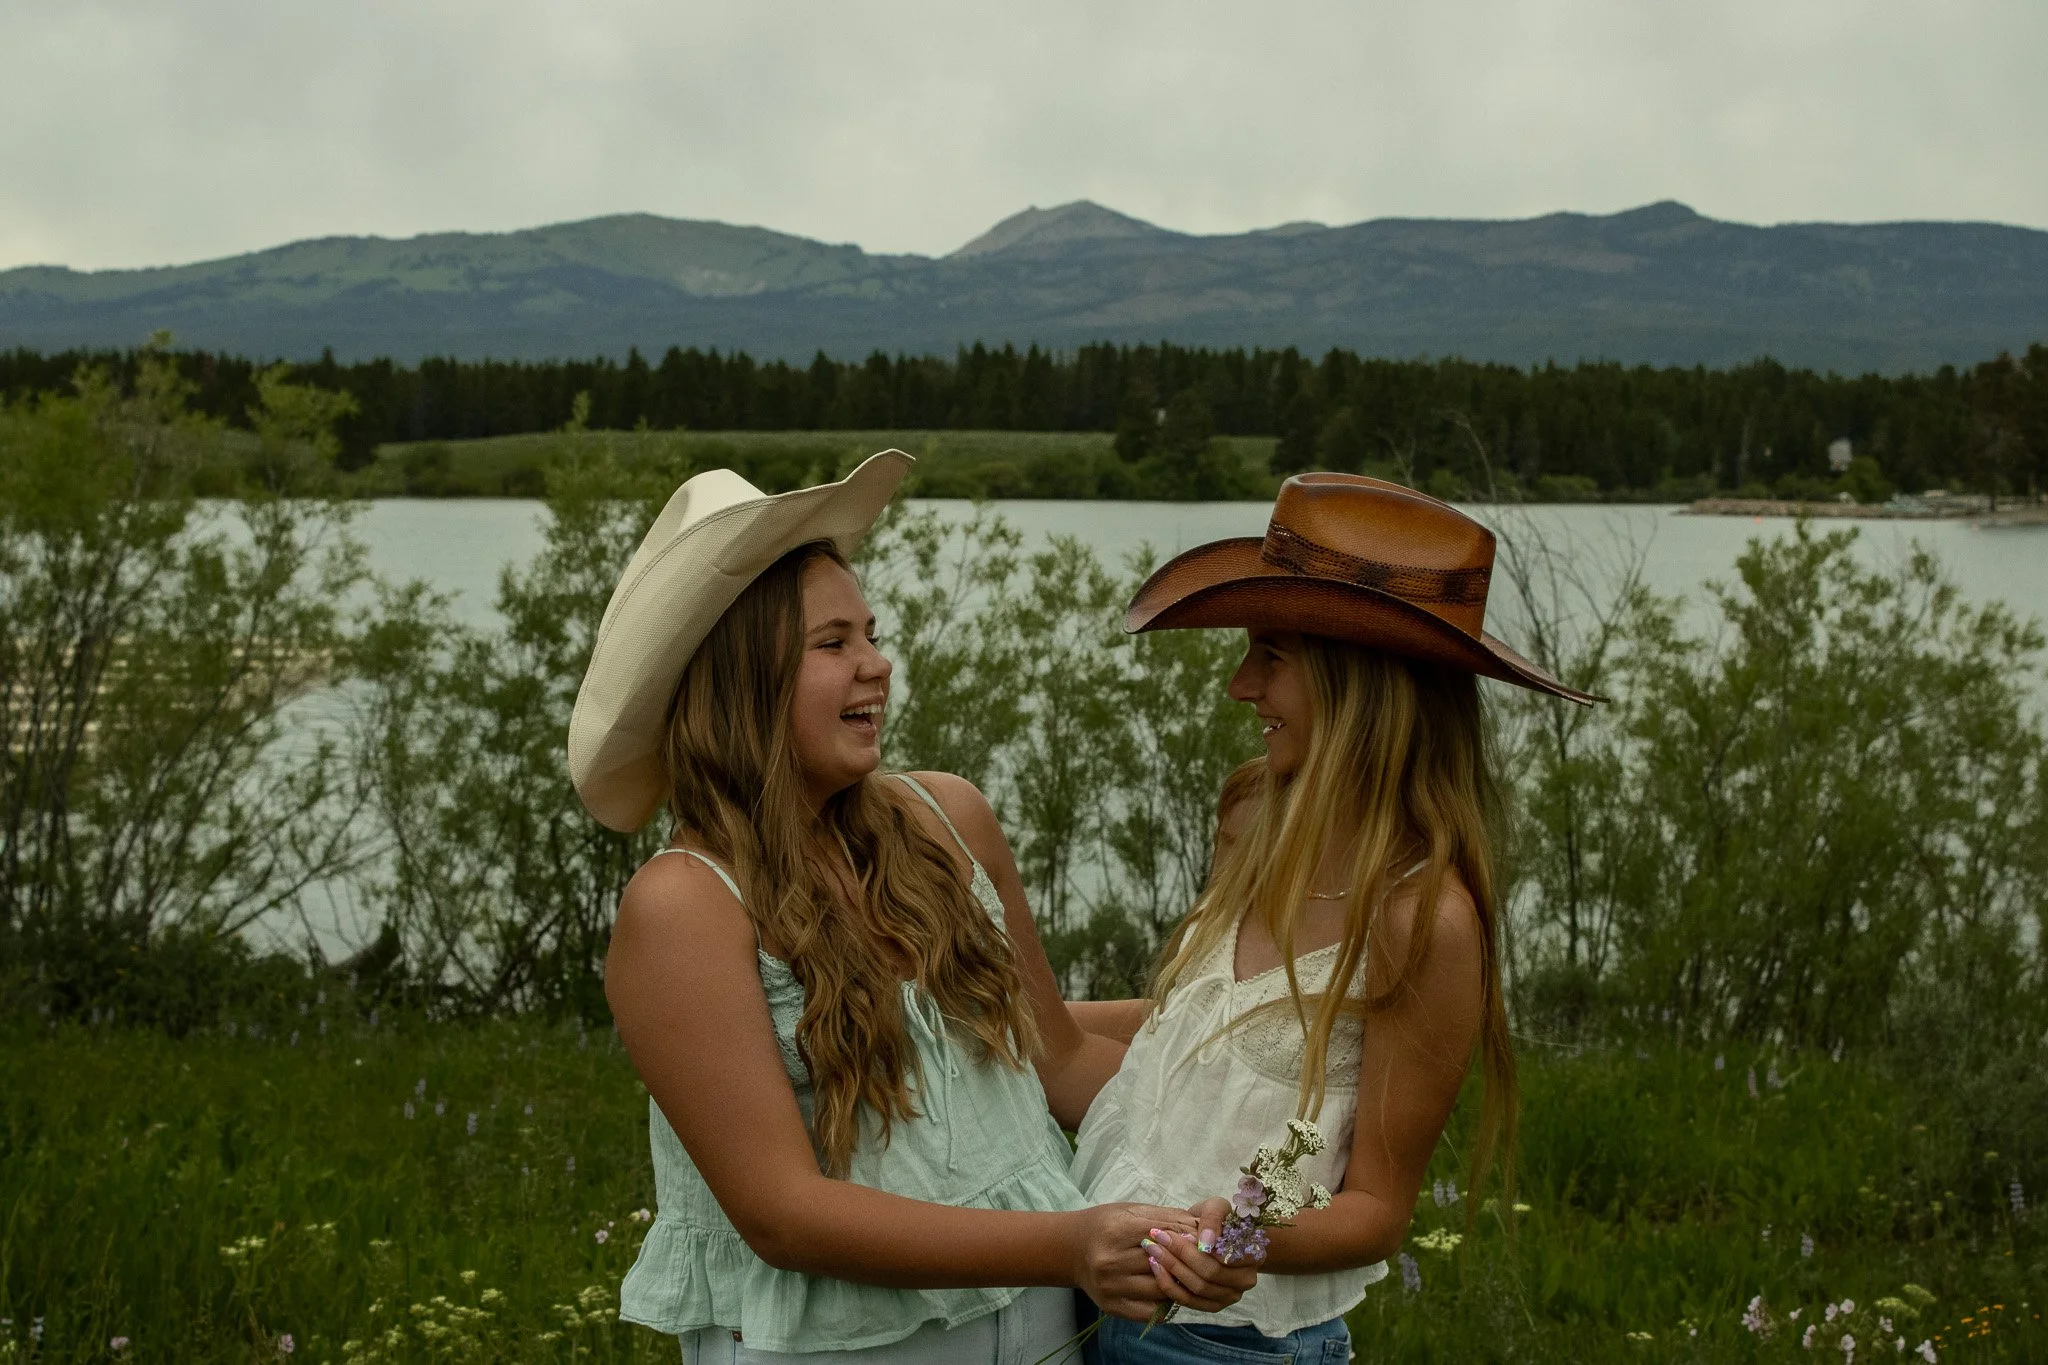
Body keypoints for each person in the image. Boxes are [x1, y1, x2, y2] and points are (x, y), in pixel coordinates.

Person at [571, 452, 1254, 1364]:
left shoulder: (946, 819)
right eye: (834, 643)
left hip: (1038, 1328)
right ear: (745, 679)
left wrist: (1258, 1117)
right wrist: (1069, 1243)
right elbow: (783, 1212)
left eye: (872, 633)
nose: (878, 664)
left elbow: (1060, 1061)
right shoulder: (686, 904)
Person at [1068, 473, 1599, 1364]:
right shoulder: (1252, 815)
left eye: (1270, 655)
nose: (1241, 686)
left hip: (1233, 1346)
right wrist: (995, 1009)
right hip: (1091, 1297)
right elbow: (1198, 1035)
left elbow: (1377, 1209)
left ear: (1360, 684)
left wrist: (1242, 1236)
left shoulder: (1423, 921)